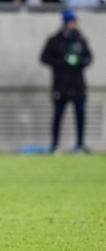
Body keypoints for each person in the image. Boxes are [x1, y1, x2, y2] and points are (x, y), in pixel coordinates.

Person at [40, 9, 92, 154]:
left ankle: (80, 145)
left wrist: (79, 61)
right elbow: (44, 58)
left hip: (77, 83)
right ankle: (55, 145)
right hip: (61, 83)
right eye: (72, 21)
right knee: (58, 115)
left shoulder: (80, 40)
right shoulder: (55, 40)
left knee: (80, 115)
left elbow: (88, 58)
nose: (75, 24)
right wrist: (62, 62)